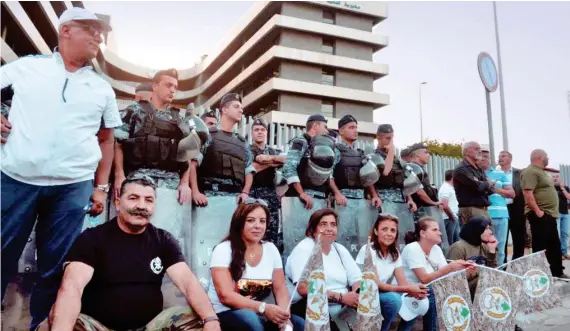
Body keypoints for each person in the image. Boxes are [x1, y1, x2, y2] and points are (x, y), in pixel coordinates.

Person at [1, 7, 121, 327]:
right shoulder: (27, 67)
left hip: (73, 185)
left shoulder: (101, 88)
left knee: (56, 267)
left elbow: (107, 140)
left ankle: (44, 324)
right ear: (66, 30)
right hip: (16, 179)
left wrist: (101, 187)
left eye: (101, 32)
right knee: (1, 254)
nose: (99, 37)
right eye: (92, 30)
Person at [38, 175, 221, 331]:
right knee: (55, 318)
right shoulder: (93, 238)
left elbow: (187, 282)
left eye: (148, 200)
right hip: (99, 327)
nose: (141, 205)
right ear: (118, 203)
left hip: (149, 327)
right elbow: (72, 287)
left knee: (199, 317)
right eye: (133, 198)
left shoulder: (163, 240)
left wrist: (211, 319)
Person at [189, 92, 256, 281]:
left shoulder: (243, 143)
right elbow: (193, 164)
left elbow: (249, 172)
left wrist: (245, 192)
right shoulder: (207, 135)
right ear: (224, 110)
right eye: (236, 106)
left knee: (232, 248)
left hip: (233, 203)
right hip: (208, 200)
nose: (240, 110)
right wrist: (195, 191)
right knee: (205, 249)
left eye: (242, 108)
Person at [207, 200, 304, 331]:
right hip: (226, 313)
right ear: (240, 223)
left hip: (260, 312)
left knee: (300, 325)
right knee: (251, 321)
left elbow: (280, 288)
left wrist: (285, 318)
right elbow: (225, 296)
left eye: (262, 221)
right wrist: (264, 308)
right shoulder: (223, 249)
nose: (258, 226)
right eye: (251, 220)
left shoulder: (270, 249)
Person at [113, 69, 191, 205]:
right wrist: (119, 176)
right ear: (154, 86)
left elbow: (187, 153)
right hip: (137, 180)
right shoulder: (134, 111)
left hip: (171, 185)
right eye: (168, 85)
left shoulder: (180, 120)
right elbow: (118, 144)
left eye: (175, 87)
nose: (173, 90)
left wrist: (184, 184)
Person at [286, 209, 361, 329]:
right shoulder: (304, 249)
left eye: (333, 224)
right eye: (323, 224)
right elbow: (303, 288)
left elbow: (356, 278)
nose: (329, 228)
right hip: (312, 306)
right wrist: (341, 297)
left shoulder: (339, 249)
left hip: (343, 309)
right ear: (313, 229)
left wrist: (357, 296)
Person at [355, 215, 428, 331]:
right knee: (393, 300)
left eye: (393, 230)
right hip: (364, 294)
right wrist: (409, 289)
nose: (389, 233)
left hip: (380, 293)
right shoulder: (368, 250)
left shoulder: (395, 253)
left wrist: (416, 292)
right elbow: (377, 284)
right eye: (384, 229)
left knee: (418, 300)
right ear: (376, 231)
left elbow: (402, 283)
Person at [398, 217, 472, 331]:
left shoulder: (436, 249)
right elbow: (424, 279)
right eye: (435, 230)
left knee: (435, 290)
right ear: (423, 233)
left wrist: (462, 268)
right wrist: (450, 267)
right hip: (407, 290)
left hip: (424, 291)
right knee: (431, 290)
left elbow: (444, 276)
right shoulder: (412, 248)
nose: (440, 232)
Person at [329, 115, 381, 256]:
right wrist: (337, 193)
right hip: (343, 200)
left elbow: (368, 176)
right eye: (351, 128)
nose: (355, 131)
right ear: (341, 131)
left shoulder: (360, 153)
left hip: (361, 201)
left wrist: (374, 195)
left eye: (356, 127)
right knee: (343, 236)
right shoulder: (336, 150)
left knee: (363, 238)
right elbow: (329, 174)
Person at [521, 149, 568, 278]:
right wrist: (538, 212)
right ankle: (540, 276)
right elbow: (527, 193)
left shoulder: (542, 172)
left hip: (549, 215)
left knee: (554, 245)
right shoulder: (530, 171)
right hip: (540, 214)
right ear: (540, 157)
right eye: (546, 156)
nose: (548, 158)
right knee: (541, 247)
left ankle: (557, 273)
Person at [373, 125, 417, 248]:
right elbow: (385, 172)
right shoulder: (375, 156)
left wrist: (410, 199)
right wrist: (391, 151)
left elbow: (404, 180)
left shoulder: (397, 160)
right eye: (387, 138)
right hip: (385, 199)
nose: (390, 142)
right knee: (389, 233)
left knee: (405, 235)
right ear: (378, 137)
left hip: (401, 201)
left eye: (392, 138)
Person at [249, 117, 286, 252]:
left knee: (272, 232)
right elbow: (252, 168)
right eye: (256, 130)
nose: (260, 132)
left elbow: (286, 159)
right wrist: (273, 163)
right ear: (252, 133)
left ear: (267, 133)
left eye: (262, 130)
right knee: (253, 230)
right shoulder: (247, 150)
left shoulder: (272, 151)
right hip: (253, 195)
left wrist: (269, 158)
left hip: (271, 196)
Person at [479, 149, 514, 266]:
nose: (483, 159)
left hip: (501, 215)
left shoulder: (500, 174)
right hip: (482, 215)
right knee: (483, 248)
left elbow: (512, 194)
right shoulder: (473, 174)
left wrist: (493, 188)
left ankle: (498, 275)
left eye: (486, 156)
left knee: (500, 247)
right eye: (481, 156)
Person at [448, 217, 498, 297]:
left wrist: (492, 251)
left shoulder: (484, 246)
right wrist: (478, 272)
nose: (490, 232)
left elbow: (493, 271)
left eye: (489, 229)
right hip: (465, 289)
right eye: (486, 229)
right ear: (477, 230)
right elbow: (453, 278)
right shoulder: (458, 248)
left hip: (483, 286)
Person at [453, 141, 493, 225]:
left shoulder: (478, 169)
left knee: (489, 236)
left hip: (483, 209)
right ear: (466, 152)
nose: (479, 151)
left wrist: (484, 184)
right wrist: (487, 184)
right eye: (476, 148)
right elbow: (478, 186)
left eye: (480, 149)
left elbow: (490, 190)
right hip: (471, 210)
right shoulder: (461, 169)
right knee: (476, 236)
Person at [498, 150, 526, 262]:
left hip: (517, 209)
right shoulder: (495, 173)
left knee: (519, 239)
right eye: (499, 156)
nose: (500, 158)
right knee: (501, 240)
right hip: (501, 209)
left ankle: (517, 265)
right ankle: (502, 265)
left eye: (503, 156)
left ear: (510, 159)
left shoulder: (519, 173)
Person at [549, 170, 570, 259]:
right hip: (555, 213)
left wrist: (562, 188)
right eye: (553, 177)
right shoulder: (549, 188)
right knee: (556, 234)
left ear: (560, 178)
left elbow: (568, 197)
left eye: (557, 177)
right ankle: (557, 253)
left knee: (565, 233)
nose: (555, 179)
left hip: (565, 213)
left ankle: (564, 252)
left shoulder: (565, 187)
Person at [438, 170, 460, 245]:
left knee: (456, 241)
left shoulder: (449, 187)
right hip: (449, 218)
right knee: (451, 242)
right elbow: (444, 205)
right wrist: (452, 216)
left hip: (452, 218)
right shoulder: (446, 188)